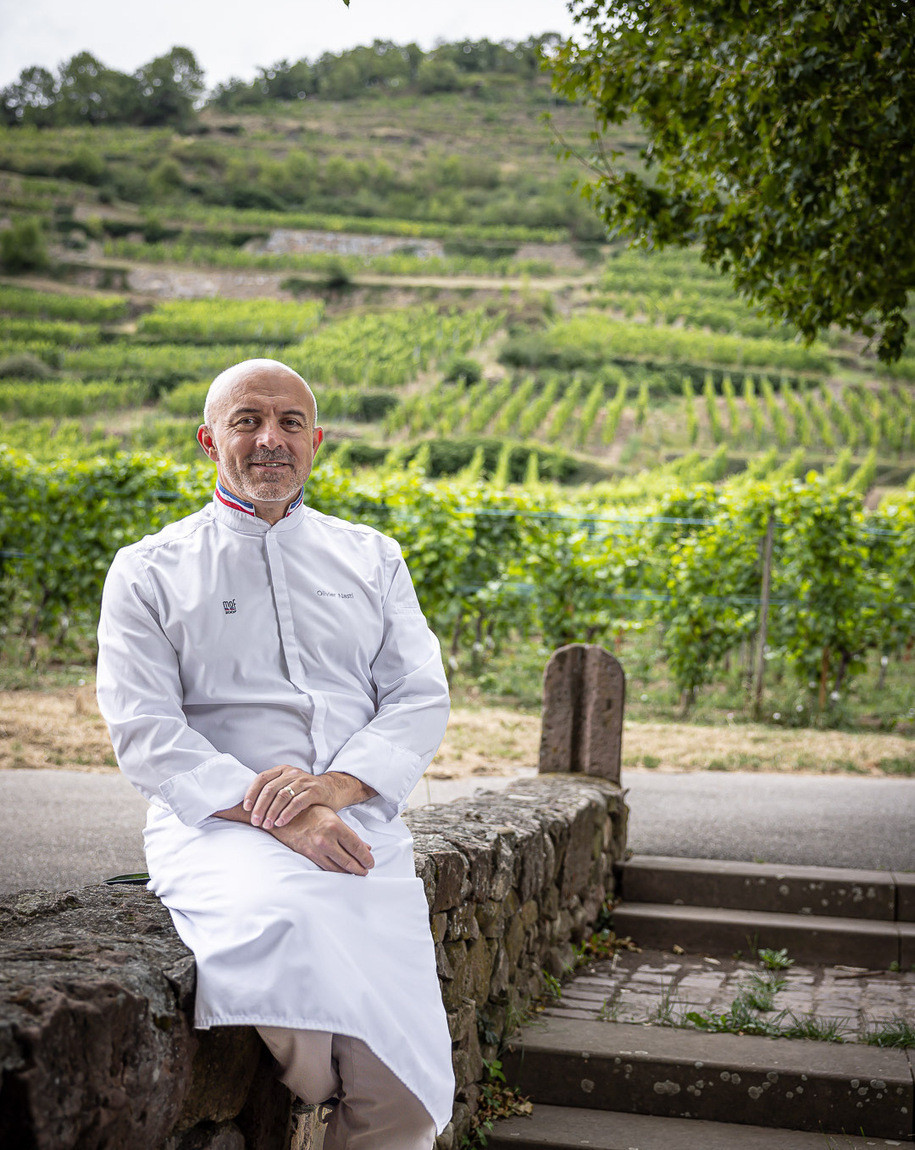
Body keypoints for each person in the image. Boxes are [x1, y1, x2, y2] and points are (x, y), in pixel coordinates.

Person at [96, 358, 454, 1150]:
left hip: (357, 828)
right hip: (217, 829)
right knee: (282, 929)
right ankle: (313, 1101)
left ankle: (330, 1115)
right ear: (207, 440)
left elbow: (417, 696)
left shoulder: (373, 557)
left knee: (404, 1088)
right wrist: (285, 817)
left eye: (290, 422)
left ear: (316, 441)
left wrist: (330, 790)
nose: (270, 440)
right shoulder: (149, 570)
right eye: (247, 421)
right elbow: (146, 730)